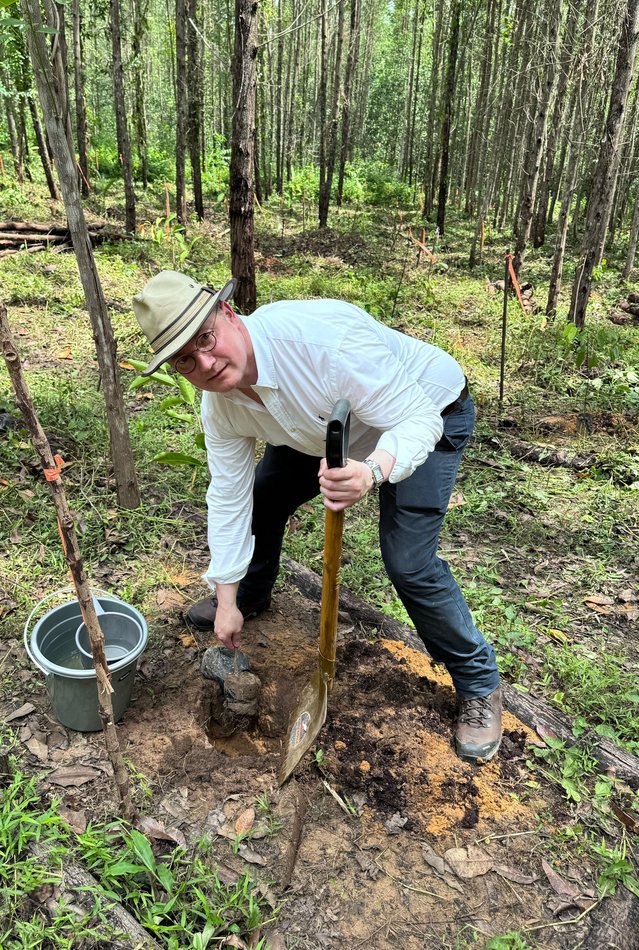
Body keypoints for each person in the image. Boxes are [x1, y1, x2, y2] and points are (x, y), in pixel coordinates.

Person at [132, 270, 502, 763]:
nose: (205, 362)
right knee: (263, 497)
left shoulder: (323, 344)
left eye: (206, 338)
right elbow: (228, 495)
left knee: (409, 561)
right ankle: (251, 594)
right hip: (318, 429)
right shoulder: (220, 406)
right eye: (185, 359)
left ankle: (478, 682)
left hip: (422, 411)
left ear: (228, 313)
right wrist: (226, 597)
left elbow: (418, 419)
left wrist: (370, 472)